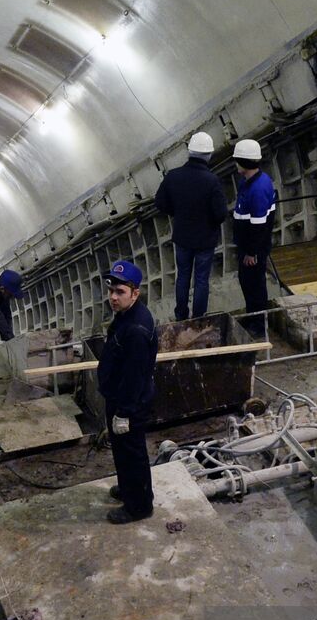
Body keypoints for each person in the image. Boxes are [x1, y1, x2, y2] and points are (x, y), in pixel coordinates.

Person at [97, 260, 159, 525]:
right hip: (119, 397)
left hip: (129, 403)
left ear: (135, 293)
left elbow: (134, 377)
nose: (113, 297)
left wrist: (124, 413)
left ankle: (139, 507)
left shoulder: (136, 330)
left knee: (132, 453)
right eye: (111, 290)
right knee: (122, 451)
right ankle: (128, 488)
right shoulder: (127, 315)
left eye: (120, 292)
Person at [154, 131, 227, 321]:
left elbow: (160, 202)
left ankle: (181, 315)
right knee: (201, 279)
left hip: (183, 237)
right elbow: (221, 213)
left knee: (183, 276)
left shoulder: (173, 176)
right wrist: (209, 221)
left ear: (189, 152)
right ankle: (198, 318)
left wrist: (176, 212)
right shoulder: (212, 181)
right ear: (208, 155)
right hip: (205, 239)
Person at [230, 138, 277, 335]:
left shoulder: (257, 189)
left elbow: (258, 226)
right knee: (247, 282)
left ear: (243, 162)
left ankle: (258, 325)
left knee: (254, 285)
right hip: (248, 245)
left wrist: (251, 253)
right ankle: (252, 317)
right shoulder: (252, 181)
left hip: (253, 248)